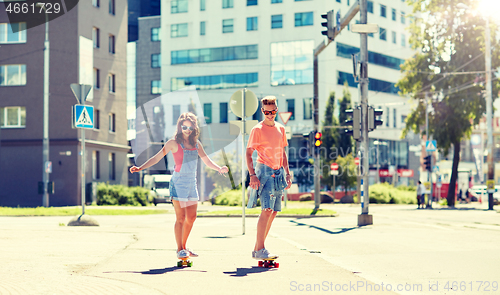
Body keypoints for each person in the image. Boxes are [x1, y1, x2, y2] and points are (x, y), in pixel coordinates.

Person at [130, 112, 228, 260]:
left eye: (190, 127)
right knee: (181, 218)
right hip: (178, 182)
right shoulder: (173, 143)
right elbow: (156, 158)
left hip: (191, 182)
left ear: (194, 127)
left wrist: (219, 168)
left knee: (192, 217)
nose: (187, 130)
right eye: (184, 127)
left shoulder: (196, 144)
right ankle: (179, 249)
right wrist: (140, 168)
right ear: (180, 127)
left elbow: (207, 161)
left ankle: (185, 246)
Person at [246, 96, 292, 260]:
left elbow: (283, 152)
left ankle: (258, 248)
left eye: (272, 111)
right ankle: (261, 249)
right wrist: (252, 175)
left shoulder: (280, 129)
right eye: (266, 112)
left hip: (279, 172)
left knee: (273, 212)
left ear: (276, 110)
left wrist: (287, 172)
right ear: (262, 111)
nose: (270, 115)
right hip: (264, 172)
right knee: (266, 210)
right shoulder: (257, 130)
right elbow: (248, 153)